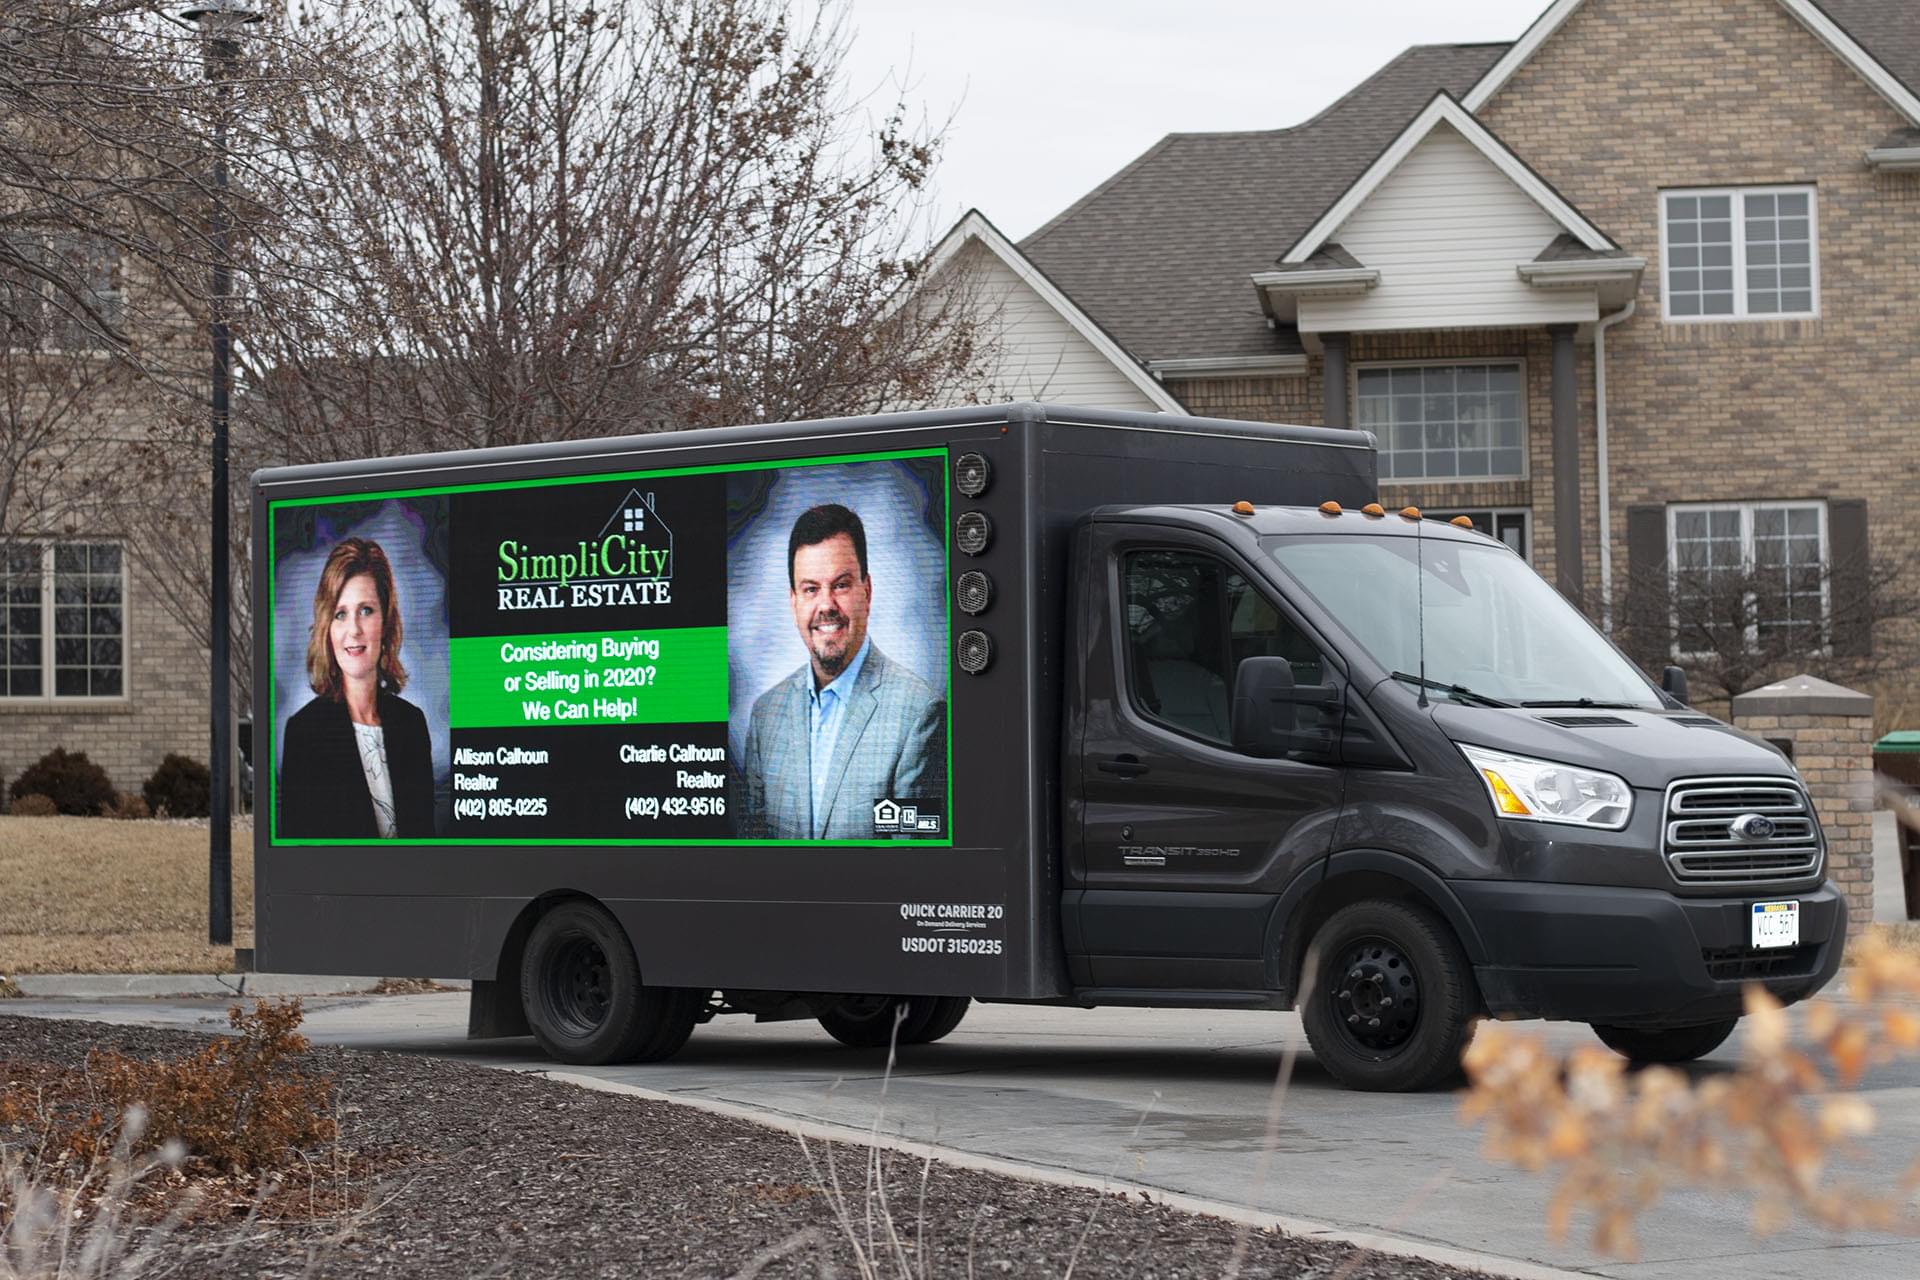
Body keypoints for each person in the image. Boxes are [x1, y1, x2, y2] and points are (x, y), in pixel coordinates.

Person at [738, 504, 944, 839]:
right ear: (793, 602)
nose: (826, 605)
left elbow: (914, 863)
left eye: (841, 585)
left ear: (867, 592)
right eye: (810, 589)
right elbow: (754, 854)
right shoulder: (765, 716)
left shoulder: (919, 715)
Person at [279, 537, 435, 839]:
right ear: (327, 628)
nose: (354, 630)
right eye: (340, 614)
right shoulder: (305, 732)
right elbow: (299, 856)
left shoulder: (411, 724)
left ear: (386, 621)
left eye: (366, 610)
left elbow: (425, 845)